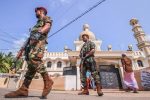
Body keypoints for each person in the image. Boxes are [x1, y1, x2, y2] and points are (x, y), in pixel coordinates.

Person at [5, 7, 53, 98]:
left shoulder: (46, 18)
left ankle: (47, 81)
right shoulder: (37, 24)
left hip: (38, 43)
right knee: (31, 69)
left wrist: (39, 33)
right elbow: (29, 39)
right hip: (30, 46)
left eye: (37, 11)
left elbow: (47, 26)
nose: (35, 12)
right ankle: (23, 89)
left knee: (34, 59)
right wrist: (21, 50)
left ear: (41, 11)